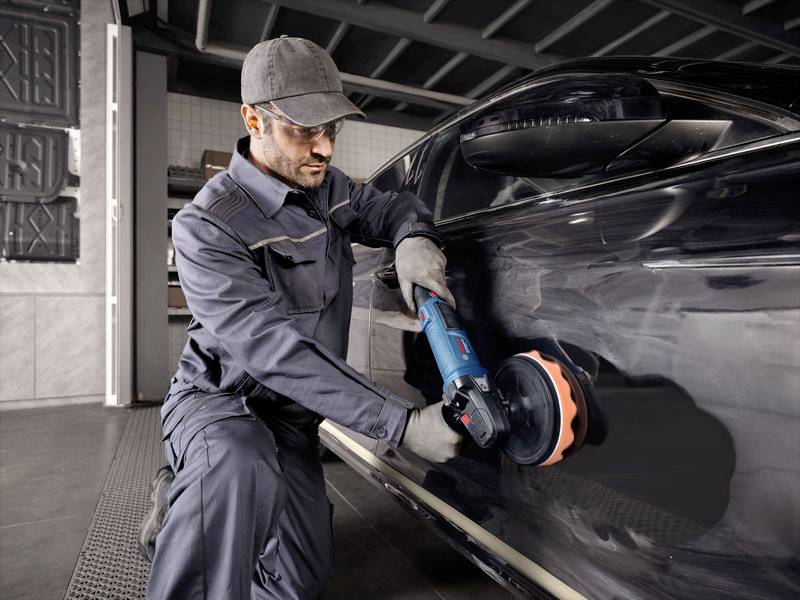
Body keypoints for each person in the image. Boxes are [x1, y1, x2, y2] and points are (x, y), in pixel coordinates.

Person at [144, 36, 462, 600]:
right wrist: (403, 426)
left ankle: (196, 504)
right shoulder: (207, 226)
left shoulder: (326, 189)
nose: (324, 148)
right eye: (304, 129)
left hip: (292, 423)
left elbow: (386, 207)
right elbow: (271, 349)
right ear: (253, 119)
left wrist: (412, 236)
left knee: (298, 585)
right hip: (220, 405)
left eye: (332, 129)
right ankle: (190, 493)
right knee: (237, 466)